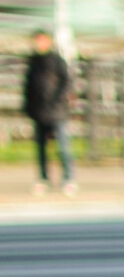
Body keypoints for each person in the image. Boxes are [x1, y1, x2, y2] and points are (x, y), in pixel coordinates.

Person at [22, 30, 74, 195]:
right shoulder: (33, 62)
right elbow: (28, 86)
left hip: (57, 111)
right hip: (39, 111)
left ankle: (68, 178)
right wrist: (28, 107)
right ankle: (43, 179)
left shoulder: (57, 60)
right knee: (41, 149)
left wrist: (58, 99)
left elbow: (66, 82)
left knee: (63, 147)